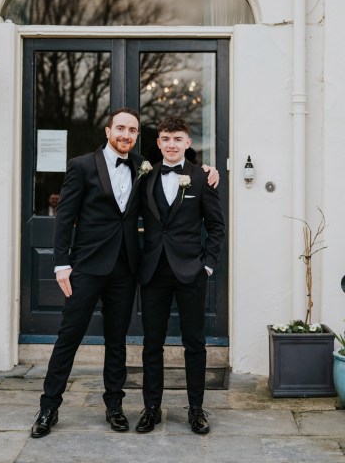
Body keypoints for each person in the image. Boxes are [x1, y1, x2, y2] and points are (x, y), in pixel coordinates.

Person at [31, 108, 219, 439]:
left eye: (132, 130)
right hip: (87, 266)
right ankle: (49, 407)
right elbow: (64, 216)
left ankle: (115, 407)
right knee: (68, 337)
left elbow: (204, 213)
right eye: (120, 128)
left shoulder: (140, 169)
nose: (126, 135)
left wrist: (208, 170)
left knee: (117, 341)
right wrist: (62, 263)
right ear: (108, 131)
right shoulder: (83, 166)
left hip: (127, 269)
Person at [136, 116, 225, 436]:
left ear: (188, 143)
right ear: (158, 143)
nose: (171, 145)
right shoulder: (144, 176)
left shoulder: (202, 178)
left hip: (191, 271)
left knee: (195, 343)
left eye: (177, 139)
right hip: (153, 272)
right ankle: (151, 408)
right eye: (165, 139)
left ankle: (197, 409)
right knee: (151, 343)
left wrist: (208, 264)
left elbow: (216, 226)